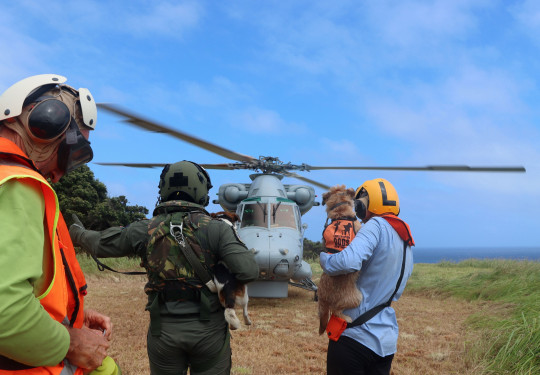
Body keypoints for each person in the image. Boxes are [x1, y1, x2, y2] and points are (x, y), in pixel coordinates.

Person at [69, 160, 259, 375]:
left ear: (164, 189)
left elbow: (98, 243)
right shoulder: (217, 229)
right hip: (209, 333)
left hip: (163, 333)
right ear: (202, 192)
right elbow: (248, 270)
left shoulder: (144, 229)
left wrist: (76, 231)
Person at [0, 74, 113, 374]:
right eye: (69, 154)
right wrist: (73, 342)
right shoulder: (18, 185)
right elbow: (5, 312)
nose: (60, 174)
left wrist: (70, 316)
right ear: (44, 125)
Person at [319, 178, 415, 375]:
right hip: (386, 340)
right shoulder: (404, 235)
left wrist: (325, 259)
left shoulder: (376, 225)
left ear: (366, 203)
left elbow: (348, 261)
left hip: (356, 337)